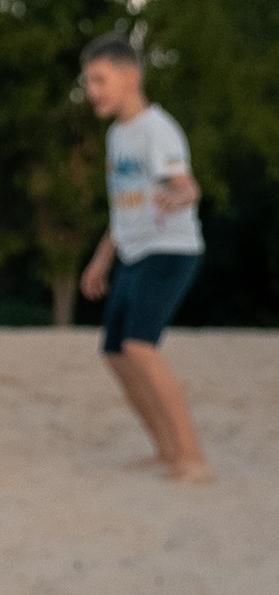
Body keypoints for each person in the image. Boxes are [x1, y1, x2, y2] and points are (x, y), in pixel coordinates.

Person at [76, 33, 212, 484]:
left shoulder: (158, 129)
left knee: (139, 345)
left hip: (170, 250)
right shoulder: (117, 135)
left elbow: (186, 184)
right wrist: (101, 258)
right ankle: (166, 451)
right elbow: (124, 204)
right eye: (88, 81)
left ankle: (193, 458)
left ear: (131, 76)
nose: (92, 90)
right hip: (132, 252)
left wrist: (183, 196)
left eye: (99, 79)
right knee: (115, 352)